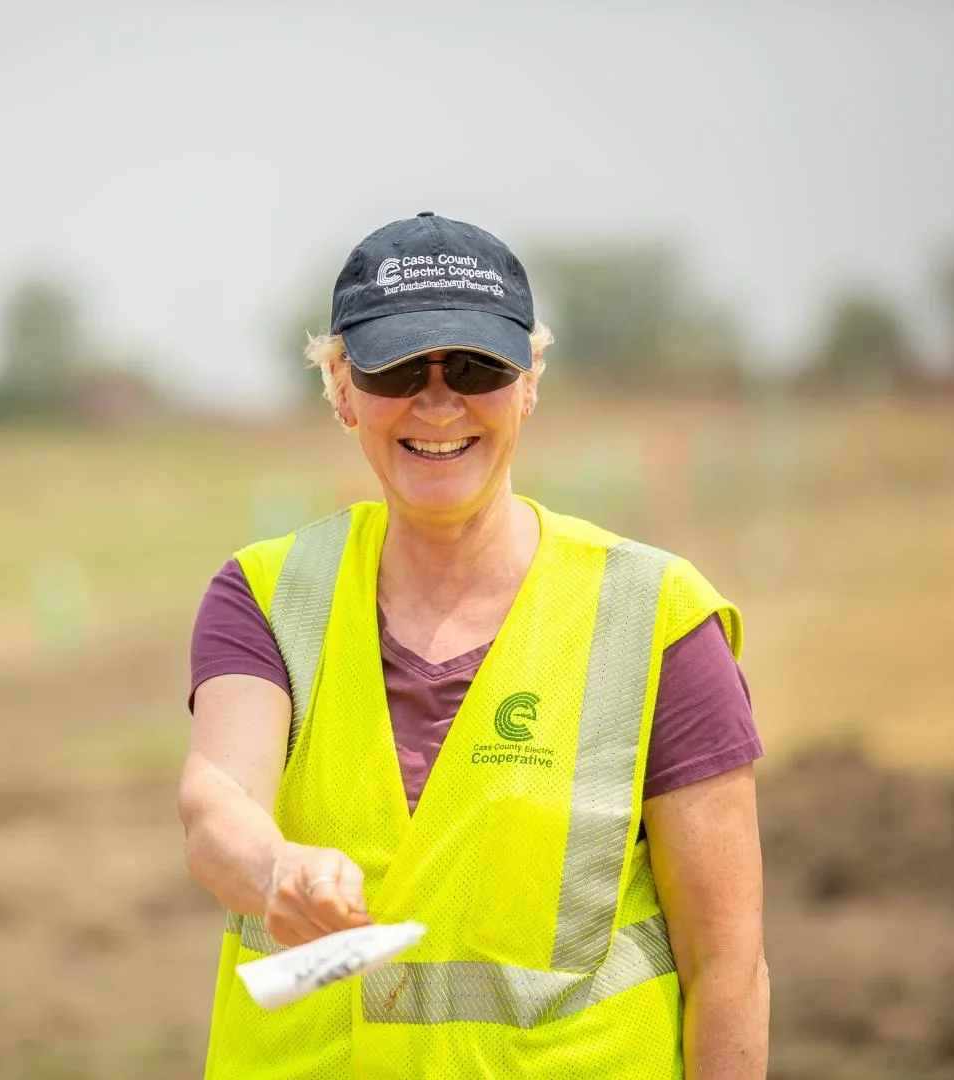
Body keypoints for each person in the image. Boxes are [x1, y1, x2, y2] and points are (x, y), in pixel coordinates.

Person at [179, 211, 768, 1078]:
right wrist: (277, 870)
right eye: (396, 369)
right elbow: (215, 803)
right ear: (342, 388)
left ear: (530, 380)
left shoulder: (658, 619)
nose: (438, 400)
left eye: (477, 366)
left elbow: (728, 971)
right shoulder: (265, 596)